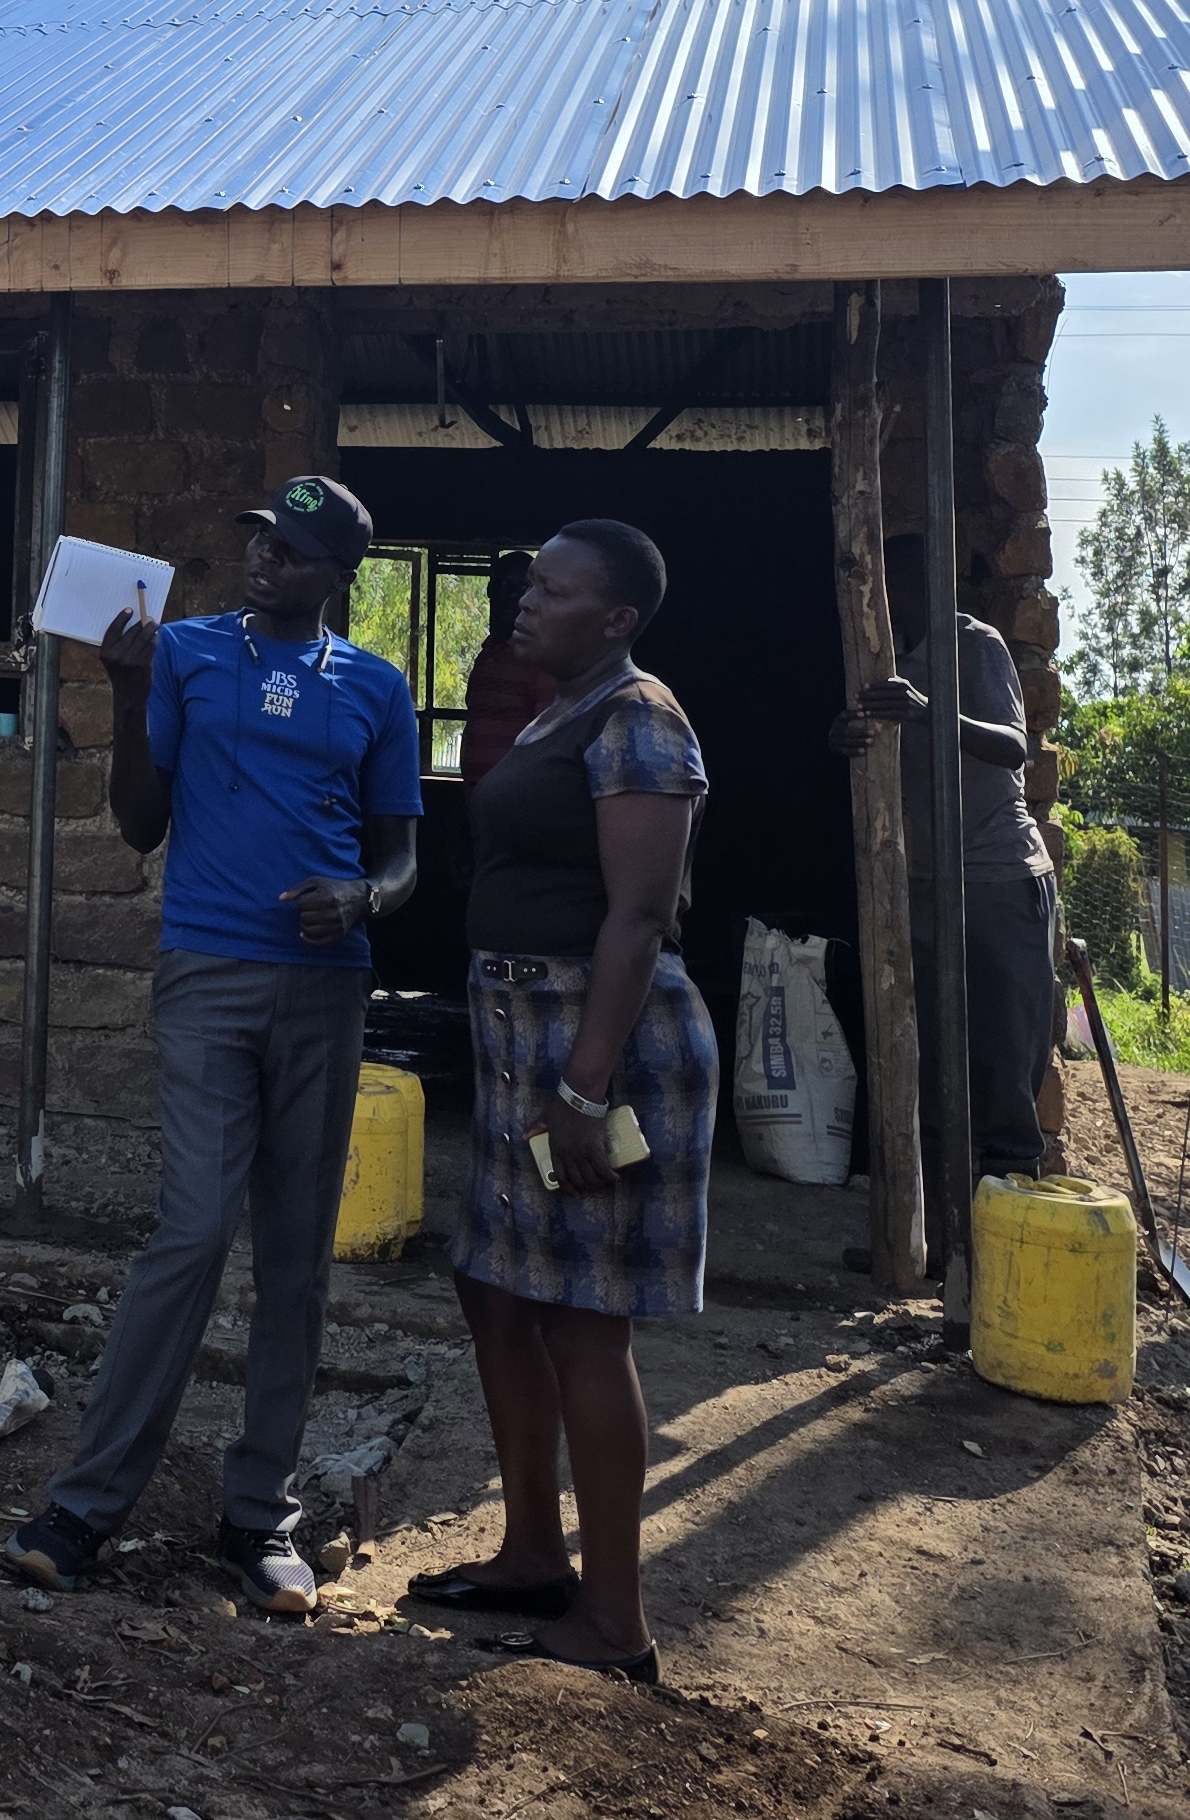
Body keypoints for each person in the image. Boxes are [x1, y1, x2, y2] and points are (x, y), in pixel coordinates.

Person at [2, 475, 423, 1616]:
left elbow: (401, 860)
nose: (262, 560)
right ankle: (86, 1507)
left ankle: (260, 1517)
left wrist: (363, 899)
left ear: (338, 577)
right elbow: (140, 823)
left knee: (295, 1256)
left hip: (326, 988)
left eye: (289, 552)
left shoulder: (376, 689)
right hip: (208, 973)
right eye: (258, 542)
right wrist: (131, 695)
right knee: (190, 1232)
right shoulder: (182, 653)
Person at [407, 520, 712, 1686]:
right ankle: (532, 1555)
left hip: (598, 1043)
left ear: (617, 617)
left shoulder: (638, 716)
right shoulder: (554, 704)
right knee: (494, 1289)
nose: (523, 602)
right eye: (528, 582)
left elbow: (637, 918)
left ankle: (617, 1622)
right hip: (515, 1036)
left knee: (585, 1319)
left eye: (552, 590)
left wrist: (583, 1089)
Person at [828, 532, 1055, 1184]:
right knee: (921, 1054)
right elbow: (865, 735)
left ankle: (1006, 1217)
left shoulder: (973, 642)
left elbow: (1016, 747)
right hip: (922, 877)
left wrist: (931, 711)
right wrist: (841, 735)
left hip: (993, 877)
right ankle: (923, 1234)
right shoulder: (883, 653)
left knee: (1002, 1057)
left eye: (899, 584)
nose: (890, 597)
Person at [456, 547, 555, 783]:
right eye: (504, 585)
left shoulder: (540, 658)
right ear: (490, 590)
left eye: (522, 587)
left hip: (516, 806)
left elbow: (546, 743)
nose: (513, 596)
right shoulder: (489, 653)